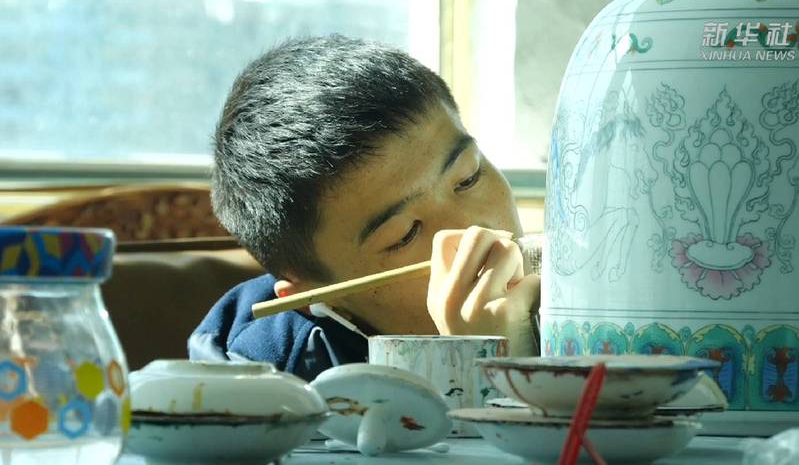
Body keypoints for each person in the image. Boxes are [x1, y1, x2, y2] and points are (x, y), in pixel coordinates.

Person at [189, 35, 540, 380]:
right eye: (405, 235)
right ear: (317, 299)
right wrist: (477, 368)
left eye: (468, 177)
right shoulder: (264, 395)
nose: (477, 232)